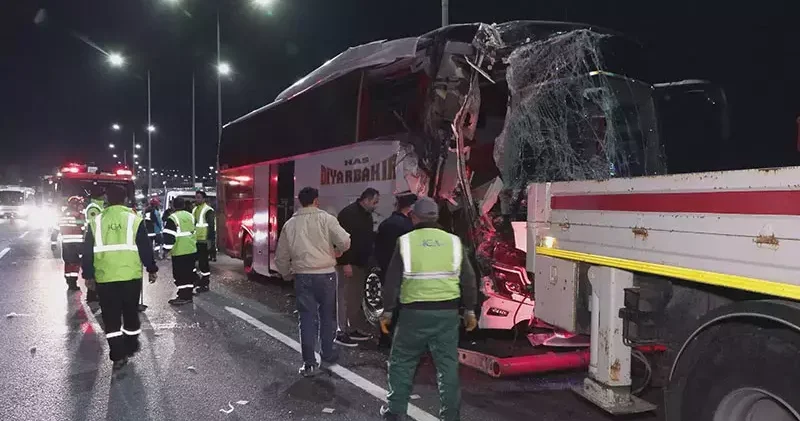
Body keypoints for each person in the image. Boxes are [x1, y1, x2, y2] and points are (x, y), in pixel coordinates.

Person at [378, 196, 478, 421]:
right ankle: (450, 416)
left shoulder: (405, 242)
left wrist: (387, 311)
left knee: (402, 362)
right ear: (435, 216)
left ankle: (395, 411)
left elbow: (392, 281)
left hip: (413, 315)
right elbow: (469, 279)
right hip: (447, 315)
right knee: (447, 367)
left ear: (414, 216)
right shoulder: (454, 242)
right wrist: (470, 310)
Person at [275, 187, 351, 377]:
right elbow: (345, 240)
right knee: (327, 316)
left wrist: (286, 274)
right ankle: (327, 352)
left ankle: (309, 363)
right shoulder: (326, 219)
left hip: (302, 276)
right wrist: (338, 251)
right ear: (316, 201)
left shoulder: (290, 224)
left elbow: (281, 256)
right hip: (326, 275)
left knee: (307, 319)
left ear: (300, 202)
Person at [81, 185, 158, 371]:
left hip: (105, 277)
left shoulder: (96, 222)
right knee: (130, 312)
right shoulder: (134, 219)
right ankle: (130, 345)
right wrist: (151, 267)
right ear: (125, 199)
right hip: (130, 276)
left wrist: (88, 275)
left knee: (111, 317)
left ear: (107, 199)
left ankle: (117, 355)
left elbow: (87, 251)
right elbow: (145, 246)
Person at [335, 187, 380, 346]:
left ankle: (352, 327)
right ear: (366, 200)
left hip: (360, 263)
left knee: (354, 298)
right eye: (374, 202)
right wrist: (345, 262)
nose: (376, 206)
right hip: (348, 264)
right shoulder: (348, 214)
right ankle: (341, 330)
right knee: (345, 297)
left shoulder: (366, 216)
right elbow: (340, 241)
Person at [373, 192, 417, 347]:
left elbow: (377, 248)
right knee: (402, 307)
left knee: (388, 306)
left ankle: (384, 338)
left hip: (386, 270)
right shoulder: (408, 227)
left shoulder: (385, 224)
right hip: (403, 272)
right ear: (411, 208)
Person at [162, 196, 197, 305]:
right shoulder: (190, 216)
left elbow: (169, 236)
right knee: (189, 273)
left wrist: (165, 250)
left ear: (173, 205)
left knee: (180, 275)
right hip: (191, 250)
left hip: (179, 251)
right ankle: (188, 294)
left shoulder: (173, 218)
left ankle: (183, 296)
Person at [83, 186, 106, 302]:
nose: (105, 197)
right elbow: (94, 224)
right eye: (103, 195)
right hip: (94, 239)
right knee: (93, 266)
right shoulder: (94, 207)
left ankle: (94, 293)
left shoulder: (98, 206)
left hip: (96, 239)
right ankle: (91, 295)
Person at [59, 196, 86, 291]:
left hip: (65, 243)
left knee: (67, 262)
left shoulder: (63, 214)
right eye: (79, 204)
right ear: (75, 205)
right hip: (77, 243)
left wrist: (53, 241)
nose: (81, 206)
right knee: (75, 263)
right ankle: (73, 283)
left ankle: (68, 280)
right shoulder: (79, 215)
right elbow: (83, 228)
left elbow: (57, 227)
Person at [192, 191, 215, 293]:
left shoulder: (208, 210)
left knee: (203, 263)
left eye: (199, 197)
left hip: (204, 240)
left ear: (204, 199)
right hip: (196, 240)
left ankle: (205, 283)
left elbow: (211, 227)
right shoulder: (195, 209)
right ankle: (198, 280)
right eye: (196, 197)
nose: (197, 199)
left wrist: (210, 241)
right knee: (193, 262)